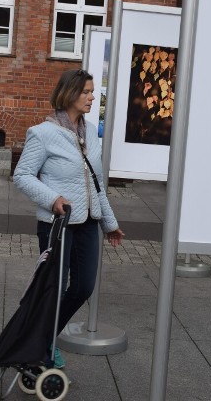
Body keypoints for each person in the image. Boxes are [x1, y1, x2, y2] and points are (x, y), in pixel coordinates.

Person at [13, 68, 124, 369]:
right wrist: (53, 199)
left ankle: (45, 337)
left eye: (93, 92)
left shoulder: (92, 135)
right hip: (57, 224)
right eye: (87, 91)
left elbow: (97, 182)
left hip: (88, 223)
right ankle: (39, 347)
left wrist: (109, 223)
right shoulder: (43, 133)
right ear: (70, 93)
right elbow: (21, 175)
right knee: (54, 288)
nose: (92, 97)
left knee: (84, 286)